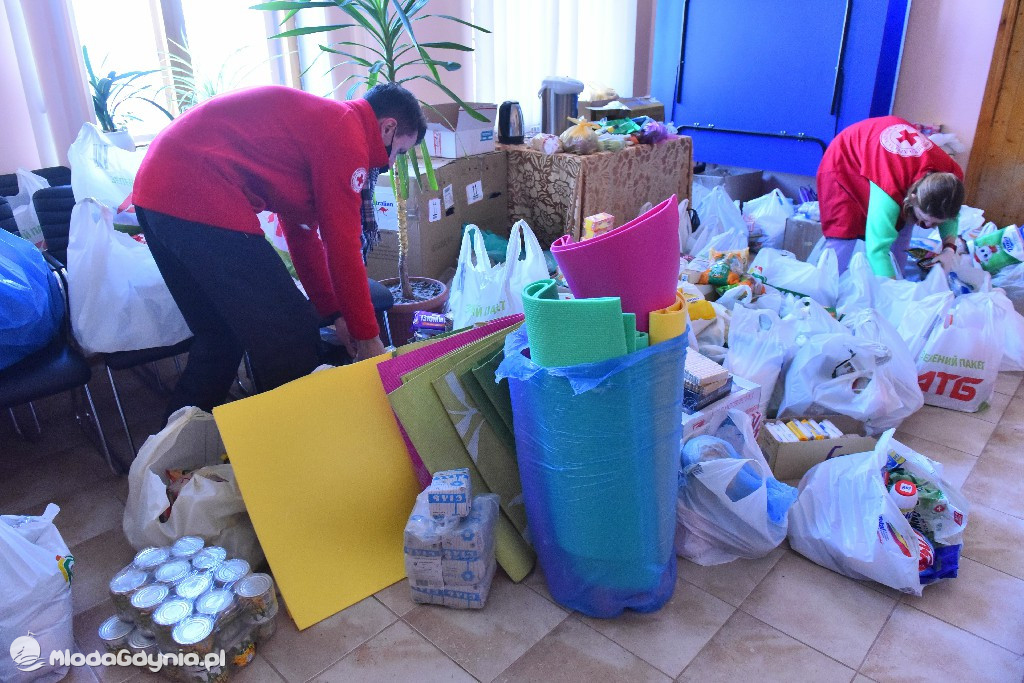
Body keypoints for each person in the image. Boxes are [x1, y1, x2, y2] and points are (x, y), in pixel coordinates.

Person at [133, 83, 426, 419]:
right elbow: (342, 246)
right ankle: (297, 445)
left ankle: (170, 454)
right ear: (388, 128)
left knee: (220, 338)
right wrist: (369, 336)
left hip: (157, 193)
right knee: (291, 336)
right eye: (398, 152)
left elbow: (303, 237)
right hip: (198, 192)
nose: (388, 164)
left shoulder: (321, 127)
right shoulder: (347, 133)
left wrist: (335, 314)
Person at [817, 115, 965, 277]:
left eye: (935, 222)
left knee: (903, 227)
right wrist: (890, 291)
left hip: (891, 159)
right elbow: (877, 250)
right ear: (913, 197)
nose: (928, 225)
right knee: (844, 233)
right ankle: (824, 288)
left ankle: (898, 276)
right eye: (926, 218)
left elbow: (949, 213)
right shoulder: (890, 187)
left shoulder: (951, 181)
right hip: (845, 159)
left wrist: (949, 249)